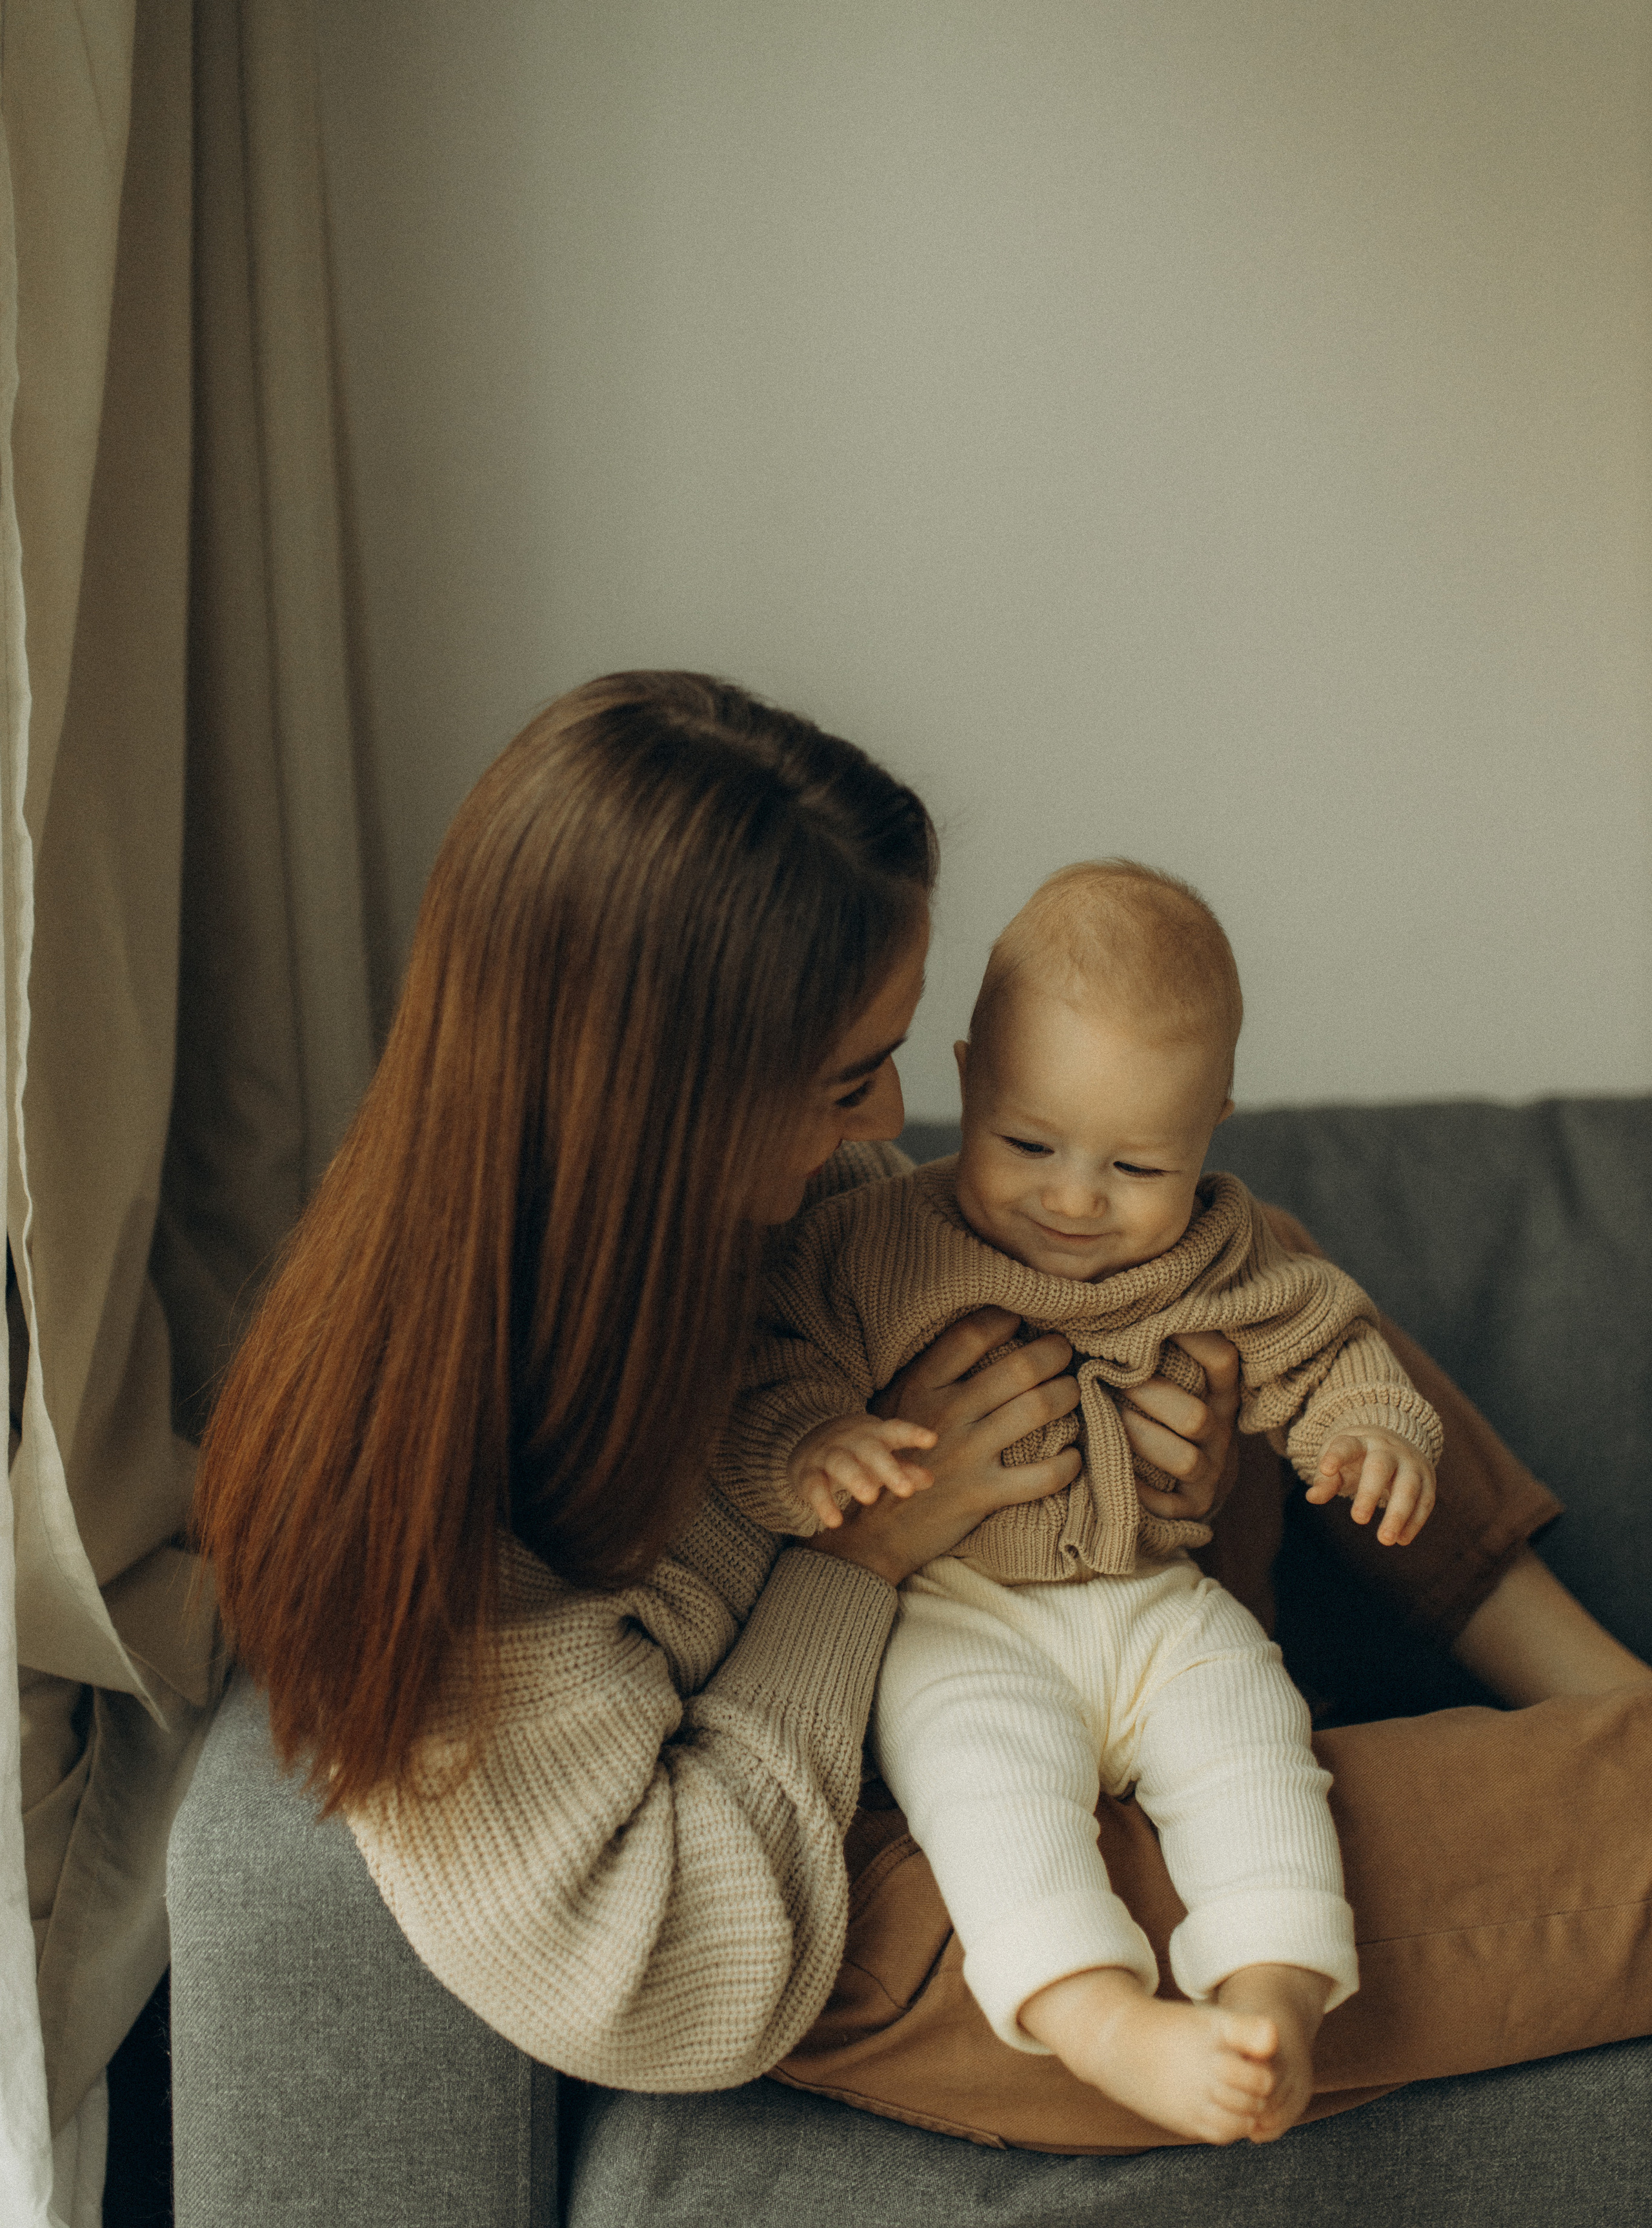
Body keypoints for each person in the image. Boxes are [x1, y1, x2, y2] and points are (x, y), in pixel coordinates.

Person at [192, 671, 1652, 2147]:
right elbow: (660, 1978)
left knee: (1231, 1252)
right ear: (660, 1105)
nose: (890, 1127)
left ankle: (1590, 1677)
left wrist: (1175, 1470)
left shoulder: (781, 1207)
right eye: (848, 1079)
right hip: (904, 1859)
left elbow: (1029, 1404)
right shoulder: (436, 1514)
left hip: (1100, 1633)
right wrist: (865, 1554)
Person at [717, 859, 1444, 2143]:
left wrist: (1375, 1431)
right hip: (962, 1616)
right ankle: (1101, 2022)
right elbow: (780, 1362)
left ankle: (1270, 1993)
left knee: (1256, 1752)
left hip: (1160, 1603)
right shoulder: (877, 1242)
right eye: (1027, 1144)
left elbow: (1324, 1343)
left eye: (1136, 1165)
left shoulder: (1220, 1249)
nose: (1073, 1199)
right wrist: (816, 1446)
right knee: (984, 1799)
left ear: (1211, 1128)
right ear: (966, 1082)